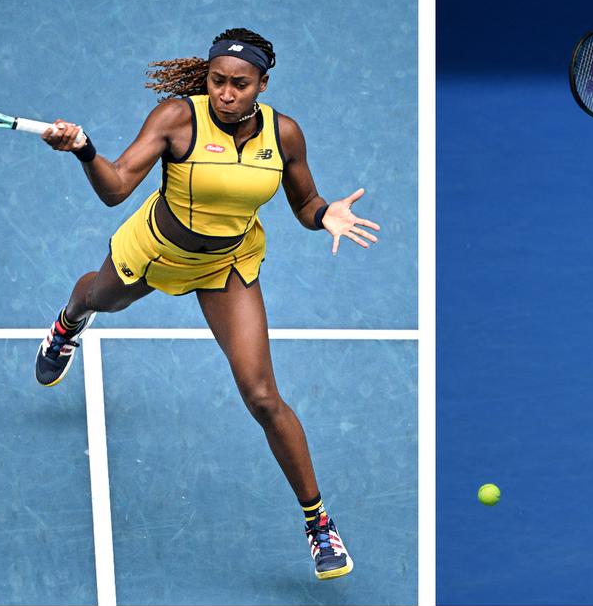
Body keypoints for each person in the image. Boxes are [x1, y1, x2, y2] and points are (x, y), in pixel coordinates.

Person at [34, 28, 379, 578]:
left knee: (263, 396)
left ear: (262, 84)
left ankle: (318, 523)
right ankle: (68, 323)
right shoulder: (177, 118)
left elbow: (306, 200)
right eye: (217, 81)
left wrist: (324, 215)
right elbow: (117, 187)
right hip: (157, 249)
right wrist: (83, 150)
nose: (225, 93)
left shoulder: (284, 135)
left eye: (239, 84)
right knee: (100, 296)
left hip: (228, 265)